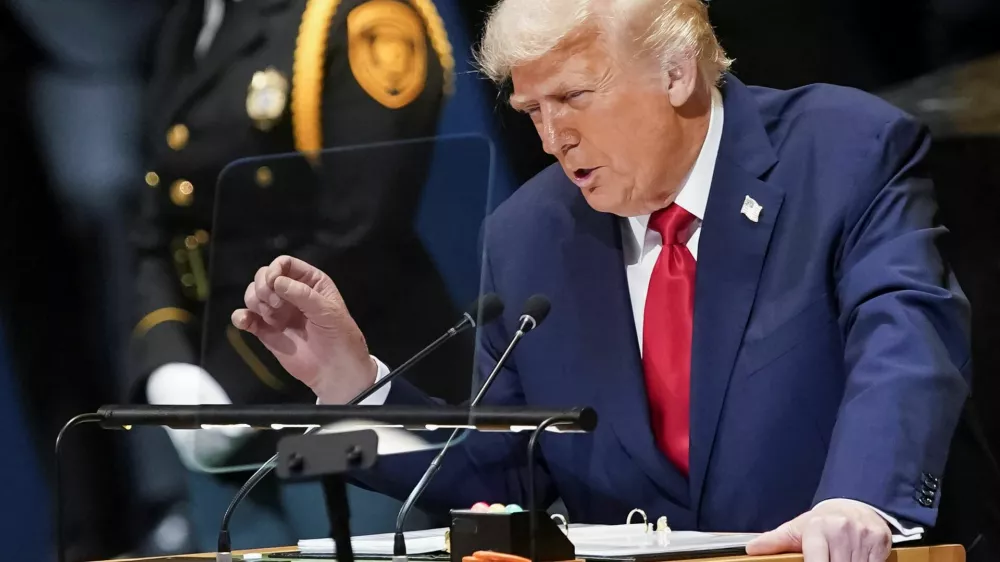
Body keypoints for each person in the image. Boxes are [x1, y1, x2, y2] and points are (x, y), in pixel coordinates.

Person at [232, 0, 999, 559]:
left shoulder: (842, 151)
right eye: (533, 109)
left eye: (574, 96)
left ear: (676, 72)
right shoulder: (530, 233)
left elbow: (907, 338)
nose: (553, 137)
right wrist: (354, 385)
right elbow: (501, 469)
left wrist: (859, 497)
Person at [128, 0, 468, 549]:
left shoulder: (362, 15)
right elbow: (158, 220)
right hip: (219, 417)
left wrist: (228, 384)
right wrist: (167, 363)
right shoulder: (190, 20)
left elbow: (362, 230)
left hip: (347, 407)